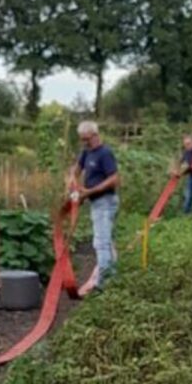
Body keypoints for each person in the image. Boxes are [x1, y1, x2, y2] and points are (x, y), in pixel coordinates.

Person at [73, 121, 120, 288]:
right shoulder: (87, 152)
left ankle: (104, 283)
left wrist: (90, 191)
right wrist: (74, 186)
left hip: (105, 202)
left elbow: (114, 179)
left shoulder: (105, 153)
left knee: (101, 242)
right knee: (107, 240)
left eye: (86, 139)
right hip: (95, 202)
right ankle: (111, 276)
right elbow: (76, 170)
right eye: (82, 139)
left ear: (95, 135)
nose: (84, 142)